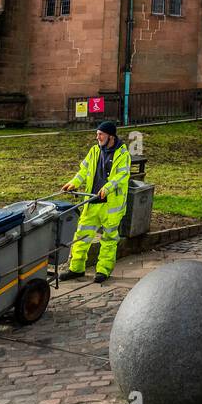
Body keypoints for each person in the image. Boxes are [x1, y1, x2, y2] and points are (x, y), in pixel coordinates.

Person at [61, 121, 132, 283]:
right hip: (92, 202)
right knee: (81, 236)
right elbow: (84, 170)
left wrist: (106, 188)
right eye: (97, 133)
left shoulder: (123, 155)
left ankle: (103, 271)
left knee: (108, 240)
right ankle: (76, 268)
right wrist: (74, 182)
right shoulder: (94, 151)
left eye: (100, 134)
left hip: (111, 206)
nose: (97, 137)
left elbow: (121, 177)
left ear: (111, 136)